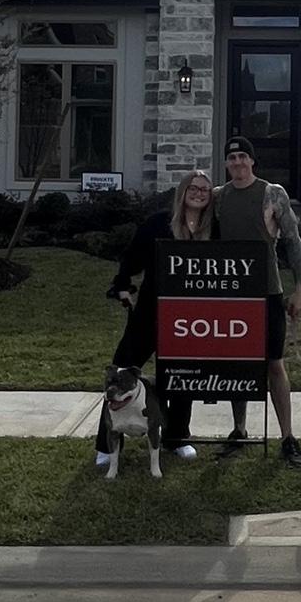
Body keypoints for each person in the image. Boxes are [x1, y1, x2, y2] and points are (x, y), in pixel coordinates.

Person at [94, 170, 215, 466]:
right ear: (182, 191)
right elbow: (132, 256)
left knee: (183, 376)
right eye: (193, 187)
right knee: (123, 368)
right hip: (151, 309)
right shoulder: (158, 222)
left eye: (204, 189)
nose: (198, 193)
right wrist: (122, 285)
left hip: (189, 316)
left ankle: (177, 437)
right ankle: (107, 444)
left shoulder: (214, 228)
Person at [215, 135, 301, 467]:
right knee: (236, 363)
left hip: (268, 292)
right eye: (232, 158)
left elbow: (293, 241)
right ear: (226, 164)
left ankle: (288, 437)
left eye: (243, 156)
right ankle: (239, 430)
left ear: (252, 161)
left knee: (274, 364)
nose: (237, 162)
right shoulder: (219, 197)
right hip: (232, 295)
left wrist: (300, 288)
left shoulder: (272, 193)